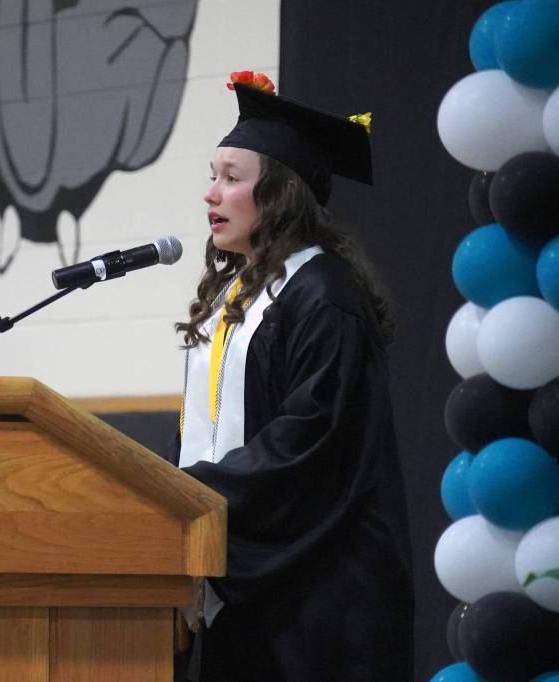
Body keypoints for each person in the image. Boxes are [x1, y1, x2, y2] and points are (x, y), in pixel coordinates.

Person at [171, 71, 414, 681]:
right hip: (248, 586)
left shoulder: (323, 295)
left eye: (231, 178)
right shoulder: (237, 294)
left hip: (320, 599)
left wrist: (189, 495)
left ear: (280, 194)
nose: (211, 194)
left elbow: (307, 441)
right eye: (212, 176)